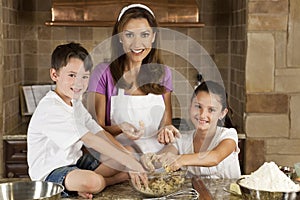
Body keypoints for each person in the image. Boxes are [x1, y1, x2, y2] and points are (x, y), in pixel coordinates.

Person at [27, 42, 147, 199]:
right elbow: (89, 139)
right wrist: (131, 164)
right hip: (50, 173)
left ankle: (85, 184)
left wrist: (129, 158)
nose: (79, 83)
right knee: (94, 181)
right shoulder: (51, 107)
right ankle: (107, 181)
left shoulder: (74, 102)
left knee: (128, 152)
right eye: (72, 75)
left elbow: (98, 132)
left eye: (84, 77)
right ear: (54, 75)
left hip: (75, 163)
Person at [87, 4, 180, 155]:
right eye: (129, 35)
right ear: (120, 38)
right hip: (118, 158)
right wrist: (120, 128)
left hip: (155, 158)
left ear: (154, 37)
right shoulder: (103, 73)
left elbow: (166, 123)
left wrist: (167, 130)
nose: (137, 44)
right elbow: (95, 129)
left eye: (144, 35)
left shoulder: (163, 73)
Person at [141, 81, 241, 179]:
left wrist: (180, 159)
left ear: (222, 113)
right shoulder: (182, 140)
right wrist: (150, 159)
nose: (202, 114)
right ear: (190, 106)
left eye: (211, 110)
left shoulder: (228, 135)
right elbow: (162, 159)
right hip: (193, 195)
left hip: (229, 195)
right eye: (198, 106)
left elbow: (215, 157)